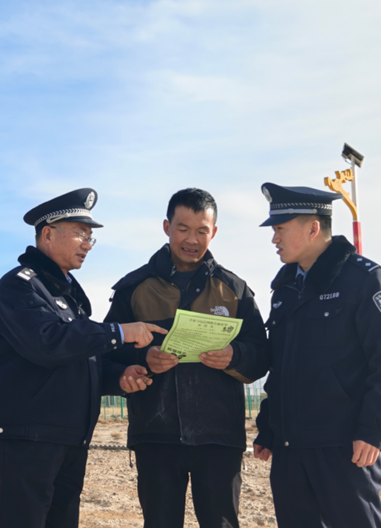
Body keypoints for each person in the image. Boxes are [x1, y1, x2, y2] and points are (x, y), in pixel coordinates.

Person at [0, 188, 166, 528]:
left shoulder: (68, 297)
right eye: (80, 233)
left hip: (66, 440)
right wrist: (119, 332)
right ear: (48, 234)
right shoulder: (20, 287)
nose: (87, 244)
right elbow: (48, 343)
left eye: (90, 237)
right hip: (24, 441)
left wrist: (120, 377)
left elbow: (80, 361)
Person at [104, 188, 269, 528]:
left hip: (219, 437)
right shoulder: (133, 288)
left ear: (214, 232)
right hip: (155, 436)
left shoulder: (234, 290)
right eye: (183, 229)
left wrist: (235, 355)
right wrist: (144, 357)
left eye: (201, 231)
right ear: (167, 227)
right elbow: (107, 350)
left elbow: (261, 355)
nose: (192, 239)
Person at [252, 183, 381, 528]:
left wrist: (372, 430)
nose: (274, 239)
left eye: (280, 229)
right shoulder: (285, 288)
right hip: (290, 450)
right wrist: (268, 428)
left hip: (344, 448)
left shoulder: (365, 280)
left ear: (312, 228)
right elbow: (282, 368)